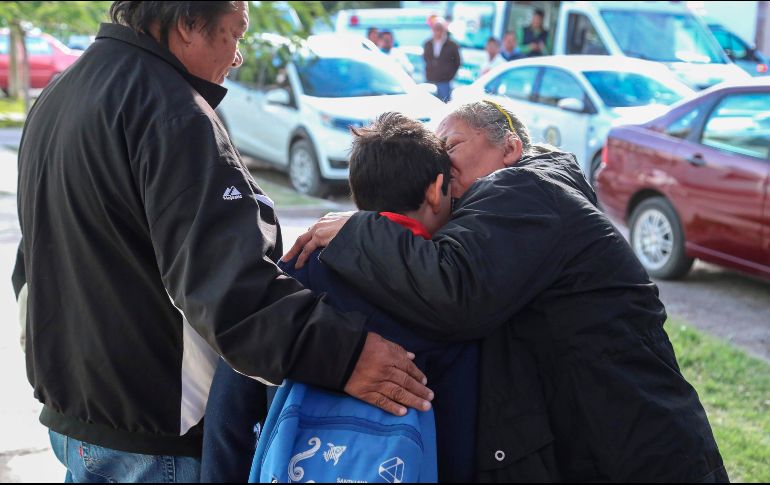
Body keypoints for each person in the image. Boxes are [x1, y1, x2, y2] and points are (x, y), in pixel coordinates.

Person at [12, 1, 432, 482]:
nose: (236, 56)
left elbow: (31, 261)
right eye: (234, 33)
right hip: (153, 435)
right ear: (189, 25)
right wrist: (346, 355)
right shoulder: (171, 110)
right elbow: (228, 285)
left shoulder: (62, 91)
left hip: (75, 419)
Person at [284, 101, 728, 483]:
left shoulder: (526, 190)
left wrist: (361, 228)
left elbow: (454, 290)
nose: (441, 162)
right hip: (618, 442)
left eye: (451, 146)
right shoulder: (509, 206)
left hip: (641, 450)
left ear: (510, 148)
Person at [202, 113, 478, 483]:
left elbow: (231, 407)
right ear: (435, 189)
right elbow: (462, 429)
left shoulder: (299, 268)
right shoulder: (451, 287)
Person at [423, 17, 461, 102]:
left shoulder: (452, 44)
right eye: (436, 28)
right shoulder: (427, 44)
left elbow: (457, 62)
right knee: (429, 103)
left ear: (444, 30)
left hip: (445, 82)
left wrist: (450, 76)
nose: (438, 31)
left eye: (440, 28)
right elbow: (425, 59)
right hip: (430, 80)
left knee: (444, 103)